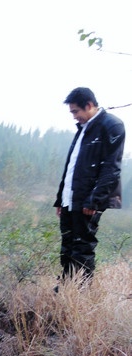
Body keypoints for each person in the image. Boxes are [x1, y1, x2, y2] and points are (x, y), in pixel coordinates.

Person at [54, 87, 125, 283]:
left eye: (76, 111)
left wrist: (95, 200)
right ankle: (66, 287)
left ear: (90, 105)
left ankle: (81, 293)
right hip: (71, 198)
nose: (74, 117)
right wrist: (60, 199)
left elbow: (111, 168)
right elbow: (71, 167)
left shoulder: (112, 125)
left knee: (83, 247)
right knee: (67, 245)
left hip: (89, 200)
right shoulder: (83, 129)